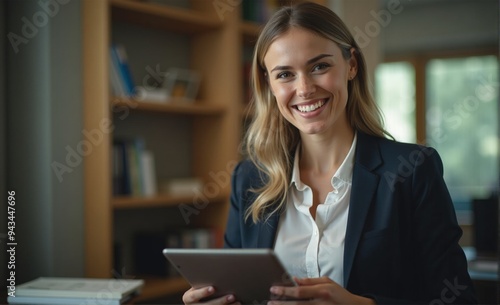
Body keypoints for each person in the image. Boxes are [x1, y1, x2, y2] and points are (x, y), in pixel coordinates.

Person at [183, 2, 477, 304]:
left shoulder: (413, 169)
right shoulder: (248, 178)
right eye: (285, 74)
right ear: (269, 84)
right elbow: (240, 291)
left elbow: (458, 298)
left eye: (319, 66)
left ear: (351, 65)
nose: (305, 88)